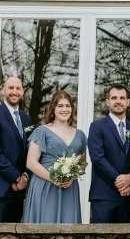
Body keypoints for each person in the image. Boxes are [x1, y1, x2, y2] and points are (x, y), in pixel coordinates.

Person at [23, 91, 86, 224]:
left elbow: (82, 162)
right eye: (60, 106)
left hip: (69, 188)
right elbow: (31, 162)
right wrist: (54, 178)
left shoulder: (80, 135)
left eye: (67, 106)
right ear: (53, 109)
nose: (64, 109)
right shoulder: (42, 131)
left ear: (72, 109)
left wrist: (72, 177)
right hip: (45, 185)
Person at [87, 84, 130, 223]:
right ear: (108, 102)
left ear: (128, 102)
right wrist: (120, 181)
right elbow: (98, 158)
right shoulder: (97, 126)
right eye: (114, 98)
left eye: (122, 98)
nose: (118, 101)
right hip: (103, 195)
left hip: (129, 195)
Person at [0, 76, 31, 223]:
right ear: (3, 91)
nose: (14, 92)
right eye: (10, 88)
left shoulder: (26, 119)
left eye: (18, 88)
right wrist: (16, 177)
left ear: (22, 92)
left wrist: (26, 177)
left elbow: (30, 151)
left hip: (19, 192)